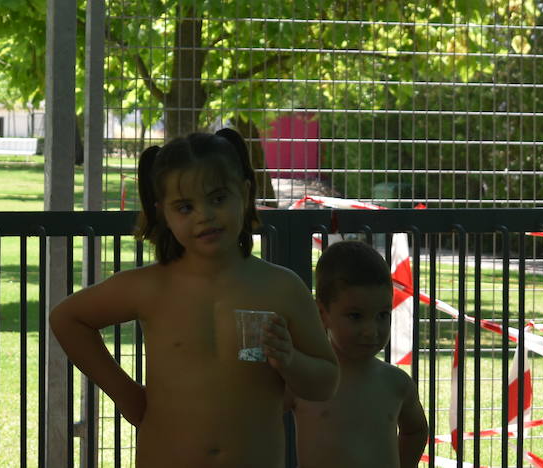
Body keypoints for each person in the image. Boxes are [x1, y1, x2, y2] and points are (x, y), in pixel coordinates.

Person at [49, 129, 338, 468]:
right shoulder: (150, 287)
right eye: (185, 207)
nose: (205, 215)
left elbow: (325, 383)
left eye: (218, 198)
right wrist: (128, 396)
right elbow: (67, 318)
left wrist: (291, 361)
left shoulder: (282, 288)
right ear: (163, 215)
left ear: (245, 194)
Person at [289, 239, 429, 468]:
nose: (371, 331)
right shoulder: (306, 380)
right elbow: (257, 422)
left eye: (382, 315)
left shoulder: (397, 383)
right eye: (355, 316)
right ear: (322, 313)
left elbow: (416, 430)